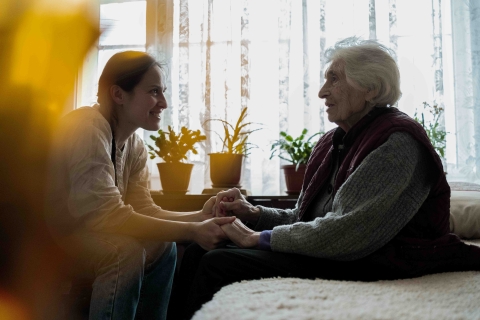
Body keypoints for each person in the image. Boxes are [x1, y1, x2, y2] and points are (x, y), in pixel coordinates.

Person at [174, 37, 480, 318]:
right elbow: (307, 217)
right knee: (202, 248)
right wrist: (254, 215)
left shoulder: (397, 143)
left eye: (334, 79)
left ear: (371, 87)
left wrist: (258, 239)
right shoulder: (335, 141)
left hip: (379, 259)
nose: (322, 92)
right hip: (342, 250)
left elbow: (348, 233)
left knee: (218, 262)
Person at [45, 51, 235, 320]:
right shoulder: (87, 127)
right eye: (154, 91)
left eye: (163, 92)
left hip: (90, 232)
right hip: (51, 237)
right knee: (125, 253)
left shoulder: (134, 145)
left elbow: (144, 209)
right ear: (118, 95)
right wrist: (192, 230)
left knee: (163, 245)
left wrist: (200, 217)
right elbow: (107, 215)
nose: (165, 103)